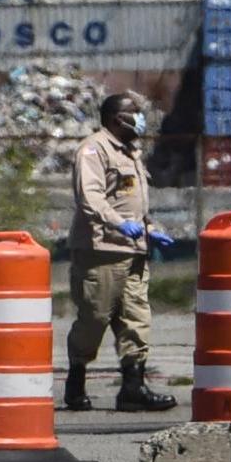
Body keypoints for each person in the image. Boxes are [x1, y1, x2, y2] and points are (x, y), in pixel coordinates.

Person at [65, 93, 178, 413]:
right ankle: (76, 380)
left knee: (137, 318)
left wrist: (149, 228)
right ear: (117, 118)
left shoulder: (132, 153)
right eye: (135, 113)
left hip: (134, 250)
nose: (141, 118)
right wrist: (119, 224)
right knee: (94, 318)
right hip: (101, 251)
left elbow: (133, 203)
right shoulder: (94, 149)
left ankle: (133, 387)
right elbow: (91, 198)